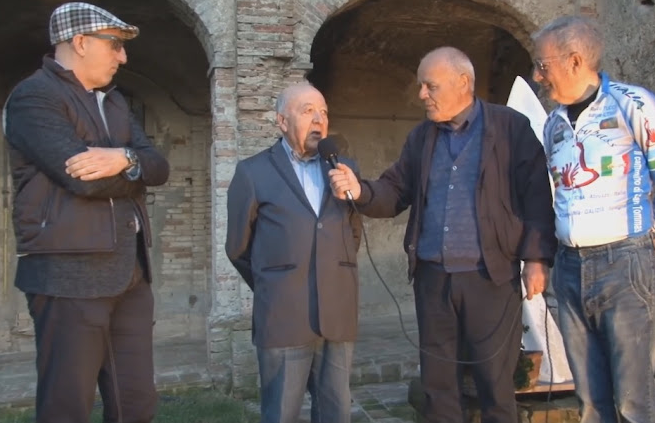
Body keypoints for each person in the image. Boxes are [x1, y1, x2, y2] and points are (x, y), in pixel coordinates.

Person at [328, 47, 557, 423]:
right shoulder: (421, 138)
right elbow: (395, 189)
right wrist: (360, 191)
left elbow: (536, 196)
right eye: (421, 86)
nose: (421, 95)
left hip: (491, 278)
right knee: (438, 388)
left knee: (496, 387)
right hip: (433, 280)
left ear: (463, 83)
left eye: (429, 86)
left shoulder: (510, 127)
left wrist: (536, 258)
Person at [2, 2, 170, 422]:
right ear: (79, 42)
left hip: (130, 274)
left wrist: (122, 157)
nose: (123, 56)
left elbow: (160, 166)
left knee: (136, 404)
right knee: (66, 405)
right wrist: (135, 165)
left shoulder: (114, 102)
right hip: (67, 274)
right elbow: (82, 178)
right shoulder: (33, 97)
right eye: (114, 44)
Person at [531, 15, 655, 423]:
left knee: (632, 402)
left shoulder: (634, 104)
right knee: (590, 402)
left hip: (624, 266)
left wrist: (650, 235)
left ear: (573, 61)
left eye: (543, 65)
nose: (536, 76)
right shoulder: (553, 124)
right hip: (570, 268)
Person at [225, 82, 362, 423]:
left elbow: (352, 233)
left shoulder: (344, 169)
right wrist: (276, 281)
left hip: (337, 313)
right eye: (307, 111)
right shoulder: (252, 172)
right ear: (282, 121)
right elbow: (238, 248)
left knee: (337, 412)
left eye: (324, 112)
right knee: (281, 413)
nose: (319, 119)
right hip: (283, 316)